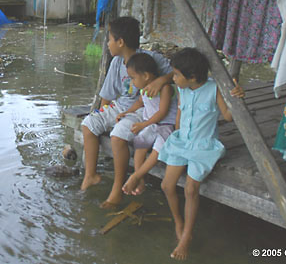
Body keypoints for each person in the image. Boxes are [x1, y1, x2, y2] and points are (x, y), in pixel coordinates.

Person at [158, 47, 244, 260]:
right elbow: (180, 113)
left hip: (203, 146)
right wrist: (177, 134)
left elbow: (228, 116)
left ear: (192, 76)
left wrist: (237, 97)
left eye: (176, 74)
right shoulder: (183, 89)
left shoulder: (214, 89)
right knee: (166, 185)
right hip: (182, 142)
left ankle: (187, 235)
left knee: (190, 189)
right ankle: (179, 221)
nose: (173, 77)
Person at [80, 16, 173, 208]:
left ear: (120, 42)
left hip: (141, 110)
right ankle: (91, 175)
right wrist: (101, 115)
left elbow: (177, 72)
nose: (107, 44)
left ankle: (117, 189)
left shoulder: (150, 59)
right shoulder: (116, 63)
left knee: (117, 136)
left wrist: (161, 80)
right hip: (121, 107)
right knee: (88, 125)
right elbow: (107, 95)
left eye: (109, 39)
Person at [117, 52, 178, 196]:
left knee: (158, 148)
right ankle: (140, 179)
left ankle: (136, 176)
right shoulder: (143, 89)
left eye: (133, 78)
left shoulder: (165, 88)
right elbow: (139, 103)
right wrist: (126, 113)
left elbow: (162, 112)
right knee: (139, 145)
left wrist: (144, 124)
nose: (131, 82)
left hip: (166, 125)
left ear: (145, 76)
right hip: (151, 125)